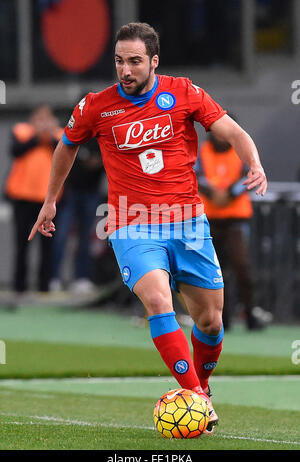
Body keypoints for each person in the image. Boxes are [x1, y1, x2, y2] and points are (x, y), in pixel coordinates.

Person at [28, 23, 267, 434]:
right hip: (130, 222)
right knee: (158, 300)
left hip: (189, 222)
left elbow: (232, 131)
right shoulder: (96, 107)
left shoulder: (184, 92)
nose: (126, 69)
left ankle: (201, 390)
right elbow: (66, 145)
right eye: (120, 61)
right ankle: (195, 397)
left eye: (135, 61)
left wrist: (255, 162)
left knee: (210, 321)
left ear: (154, 61)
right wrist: (50, 200)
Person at [197, 123, 272, 330]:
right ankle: (223, 317)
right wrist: (213, 194)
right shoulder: (202, 152)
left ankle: (250, 313)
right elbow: (194, 176)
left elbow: (249, 176)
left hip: (235, 220)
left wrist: (228, 194)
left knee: (242, 269)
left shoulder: (241, 150)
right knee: (216, 272)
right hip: (210, 220)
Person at [5, 104, 62, 294]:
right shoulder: (22, 131)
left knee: (48, 245)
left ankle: (44, 286)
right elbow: (16, 150)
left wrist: (49, 134)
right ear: (33, 118)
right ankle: (19, 286)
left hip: (48, 200)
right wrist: (38, 136)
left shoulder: (59, 135)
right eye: (40, 118)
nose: (43, 122)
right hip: (22, 196)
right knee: (22, 243)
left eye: (47, 118)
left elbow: (64, 153)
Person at [49, 137, 104, 294]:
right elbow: (61, 151)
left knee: (86, 237)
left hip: (91, 192)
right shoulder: (71, 127)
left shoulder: (99, 133)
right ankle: (54, 277)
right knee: (60, 236)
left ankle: (81, 278)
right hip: (70, 191)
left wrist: (96, 161)